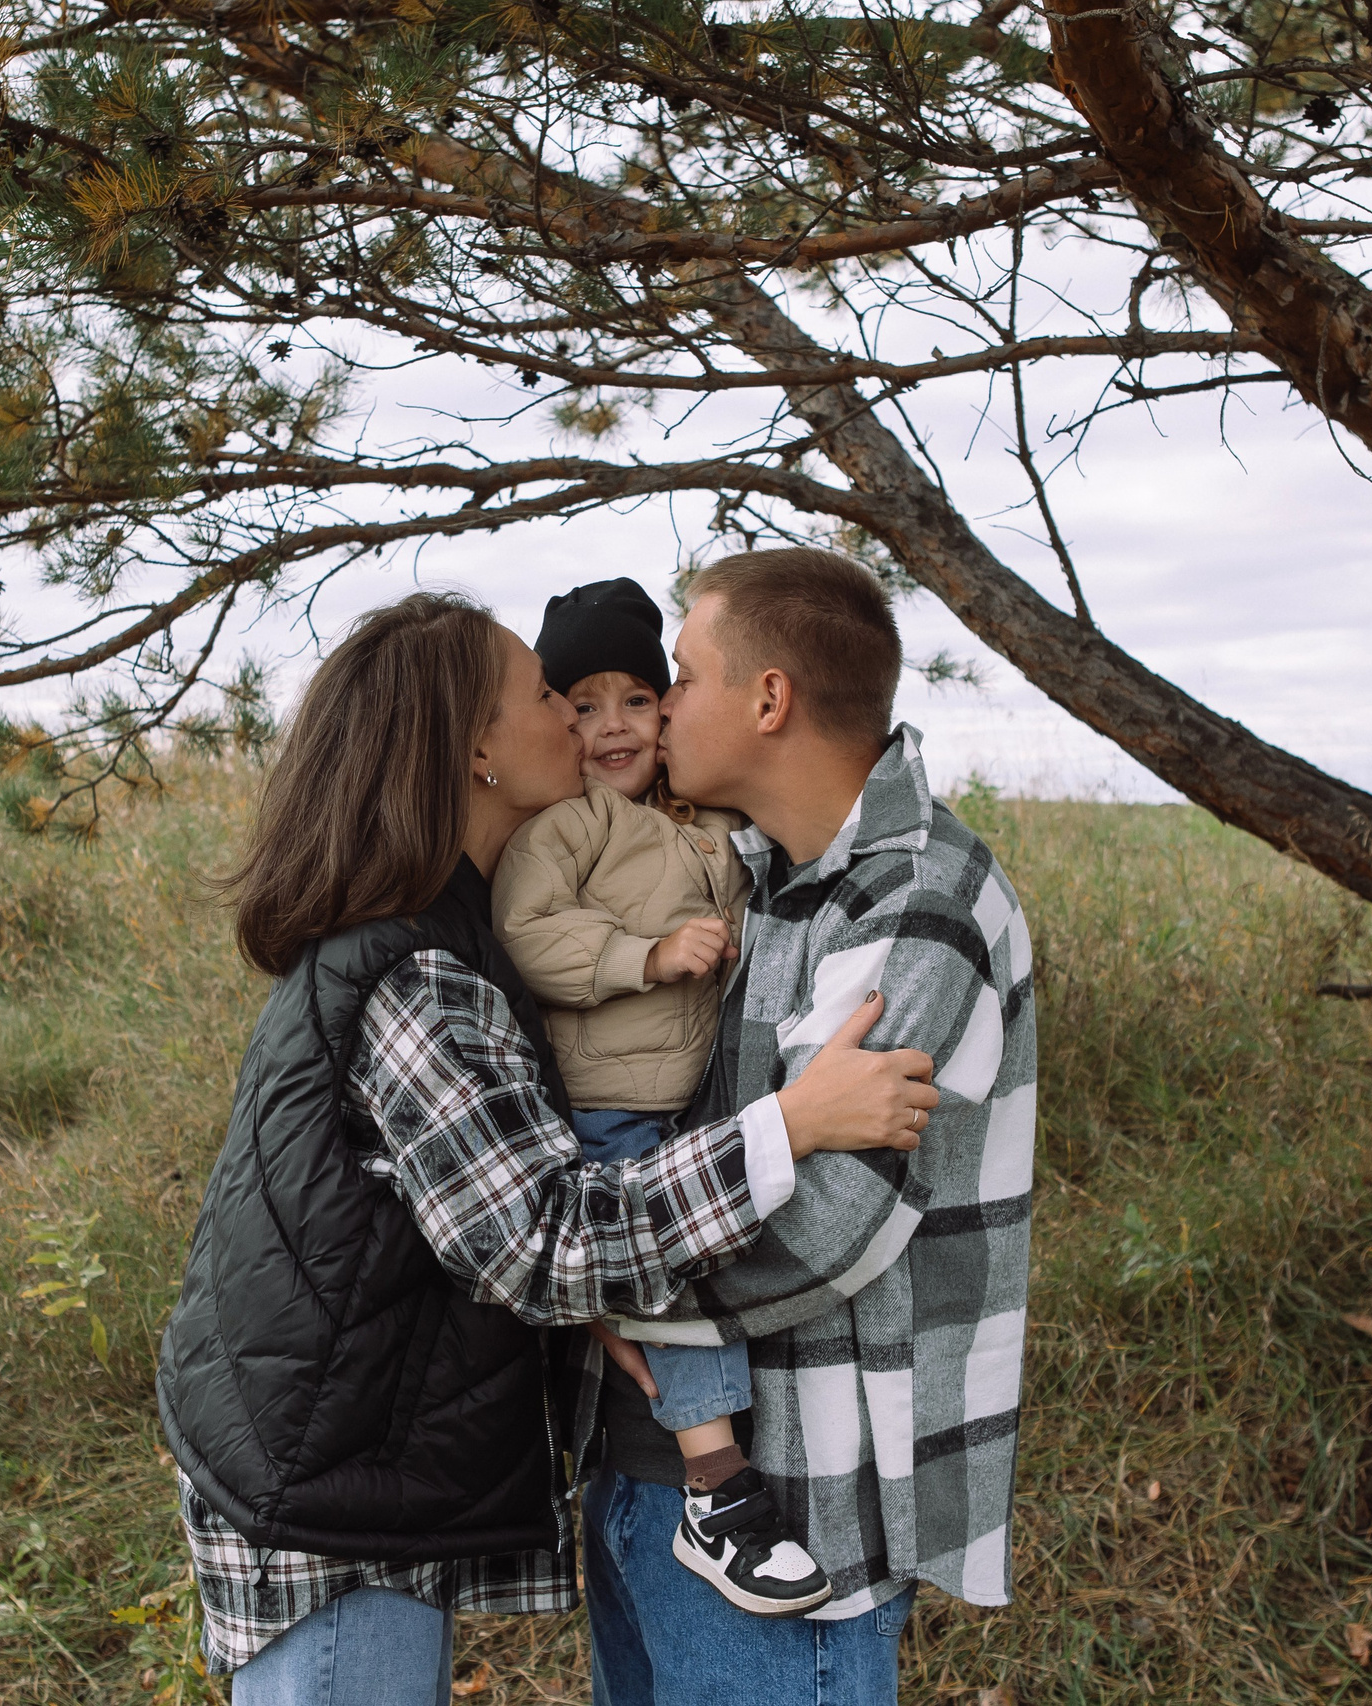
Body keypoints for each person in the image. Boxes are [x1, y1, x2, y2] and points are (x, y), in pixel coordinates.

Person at [153, 591, 943, 1705]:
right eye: (542, 695)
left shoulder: (450, 919)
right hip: (328, 1498)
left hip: (348, 1456)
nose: (581, 723)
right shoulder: (415, 974)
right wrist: (791, 1122)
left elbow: (466, 1197)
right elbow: (540, 1231)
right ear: (476, 746)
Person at [580, 549, 1039, 1706]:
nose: (663, 701)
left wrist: (581, 1276)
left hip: (795, 1505)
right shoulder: (750, 869)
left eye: (682, 674)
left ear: (769, 697)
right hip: (645, 1467)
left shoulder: (915, 906)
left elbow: (827, 1224)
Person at [492, 577, 830, 1617]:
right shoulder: (569, 828)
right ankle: (715, 1483)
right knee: (673, 1265)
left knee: (703, 1252)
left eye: (636, 698)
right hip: (607, 1104)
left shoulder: (697, 824)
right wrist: (643, 953)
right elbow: (528, 932)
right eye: (580, 703)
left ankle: (705, 1466)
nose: (609, 726)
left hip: (684, 1098)